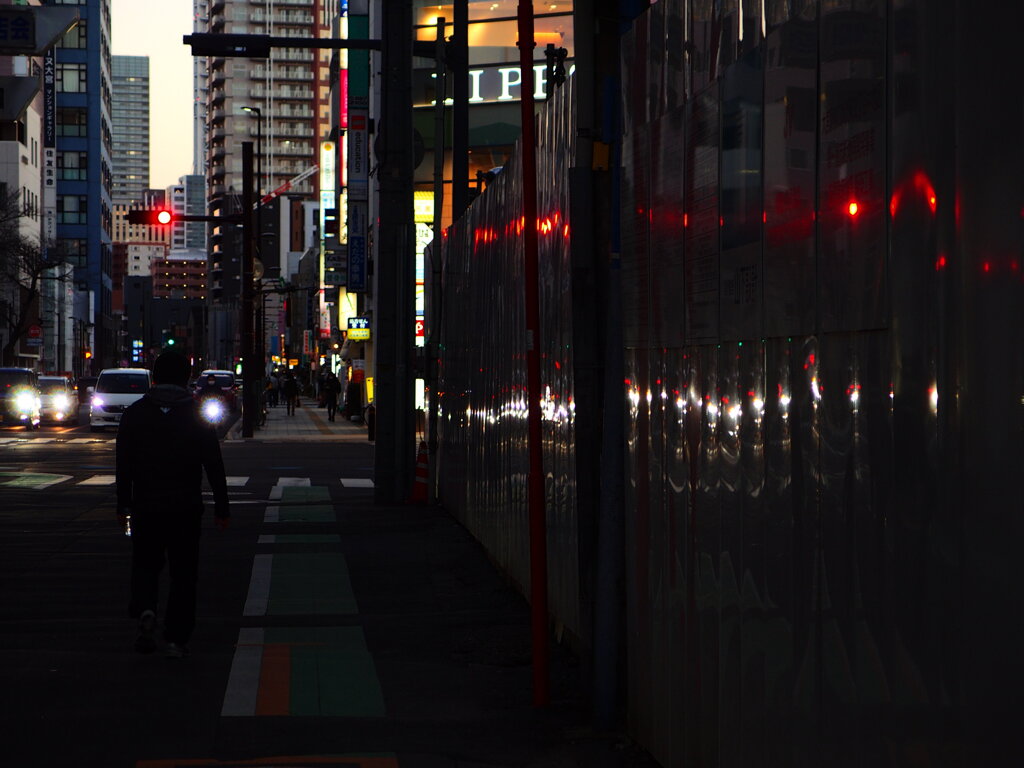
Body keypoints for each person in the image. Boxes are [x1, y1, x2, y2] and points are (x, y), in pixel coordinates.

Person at [115, 351, 230, 658]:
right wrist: (222, 507)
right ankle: (176, 638)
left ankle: (145, 611)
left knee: (145, 564)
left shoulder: (135, 414)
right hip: (185, 506)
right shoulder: (196, 414)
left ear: (154, 377)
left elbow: (123, 464)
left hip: (146, 505)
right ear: (187, 378)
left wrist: (122, 504)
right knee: (183, 573)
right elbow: (213, 464)